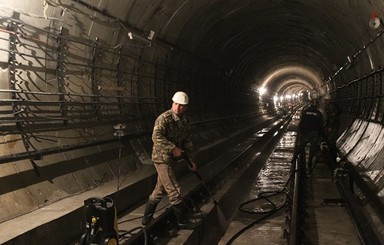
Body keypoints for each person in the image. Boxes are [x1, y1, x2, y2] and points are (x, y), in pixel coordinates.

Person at [142, 91, 197, 229]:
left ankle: (146, 219)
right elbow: (156, 137)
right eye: (176, 104)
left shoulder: (184, 121)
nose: (178, 108)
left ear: (186, 107)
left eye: (182, 106)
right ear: (173, 103)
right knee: (174, 190)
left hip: (172, 159)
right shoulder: (164, 118)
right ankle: (182, 221)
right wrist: (173, 148)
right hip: (162, 158)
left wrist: (191, 160)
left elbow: (187, 141)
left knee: (159, 190)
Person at [292, 100, 324, 172]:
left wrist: (300, 131)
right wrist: (321, 134)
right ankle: (309, 162)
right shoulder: (318, 113)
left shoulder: (305, 112)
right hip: (315, 132)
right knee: (313, 148)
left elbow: (301, 122)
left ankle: (294, 159)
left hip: (306, 132)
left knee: (301, 146)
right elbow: (321, 124)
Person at [323, 94, 341, 166]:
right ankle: (332, 155)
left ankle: (332, 158)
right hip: (333, 124)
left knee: (331, 140)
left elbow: (332, 117)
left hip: (333, 125)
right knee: (330, 140)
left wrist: (330, 126)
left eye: (326, 100)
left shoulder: (331, 107)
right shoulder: (331, 106)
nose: (325, 102)